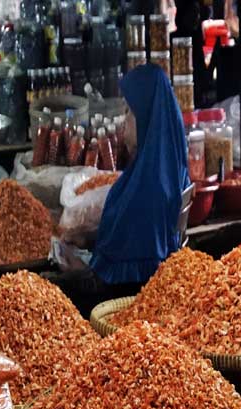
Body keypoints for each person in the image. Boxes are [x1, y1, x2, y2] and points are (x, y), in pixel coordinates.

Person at [90, 64, 190, 286]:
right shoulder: (165, 166)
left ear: (146, 116)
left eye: (129, 111)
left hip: (130, 298)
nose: (124, 121)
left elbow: (123, 274)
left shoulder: (148, 190)